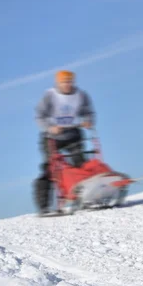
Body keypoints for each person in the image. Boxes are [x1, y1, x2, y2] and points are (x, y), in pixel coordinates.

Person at [33, 70, 96, 215]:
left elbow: (89, 112)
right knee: (50, 169)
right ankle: (44, 207)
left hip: (73, 134)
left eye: (70, 82)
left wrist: (88, 121)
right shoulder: (49, 95)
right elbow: (39, 116)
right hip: (52, 138)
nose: (67, 85)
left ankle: (87, 198)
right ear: (58, 83)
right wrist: (50, 127)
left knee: (82, 165)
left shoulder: (81, 95)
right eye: (64, 82)